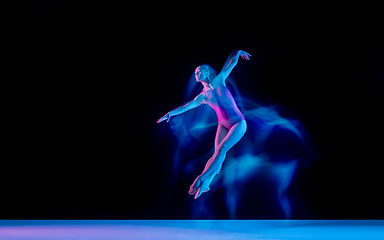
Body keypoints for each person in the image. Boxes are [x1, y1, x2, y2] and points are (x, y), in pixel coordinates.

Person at [157, 50, 251, 199]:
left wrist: (237, 52)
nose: (196, 74)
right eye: (195, 73)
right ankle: (206, 184)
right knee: (218, 155)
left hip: (239, 123)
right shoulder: (202, 97)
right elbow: (185, 107)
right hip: (223, 126)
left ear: (207, 72)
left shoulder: (219, 80)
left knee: (222, 150)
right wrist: (170, 113)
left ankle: (200, 178)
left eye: (199, 71)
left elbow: (230, 64)